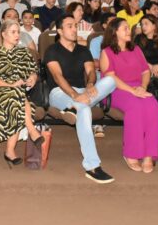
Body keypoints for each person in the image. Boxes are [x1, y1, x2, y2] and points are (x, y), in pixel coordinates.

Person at [44, 15, 117, 184]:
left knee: (111, 80)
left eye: (75, 25)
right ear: (60, 31)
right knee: (84, 108)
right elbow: (57, 76)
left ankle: (73, 108)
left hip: (83, 91)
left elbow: (91, 71)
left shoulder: (83, 50)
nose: (74, 29)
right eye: (70, 26)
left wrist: (91, 84)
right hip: (59, 93)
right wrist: (75, 95)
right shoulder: (52, 50)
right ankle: (92, 166)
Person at [100, 18, 158, 173]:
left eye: (128, 28)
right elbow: (111, 78)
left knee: (154, 108)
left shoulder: (135, 49)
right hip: (115, 90)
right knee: (135, 107)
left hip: (138, 88)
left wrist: (142, 87)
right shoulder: (106, 52)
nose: (129, 31)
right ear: (114, 32)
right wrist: (132, 91)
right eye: (124, 28)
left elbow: (145, 71)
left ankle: (149, 154)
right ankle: (131, 153)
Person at [0, 19, 44, 166]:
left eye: (18, 32)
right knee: (15, 95)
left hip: (20, 91)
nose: (17, 35)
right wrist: (10, 85)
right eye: (13, 32)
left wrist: (32, 78)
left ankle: (9, 151)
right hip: (0, 90)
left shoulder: (24, 52)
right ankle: (31, 129)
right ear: (3, 34)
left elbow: (34, 71)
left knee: (16, 98)